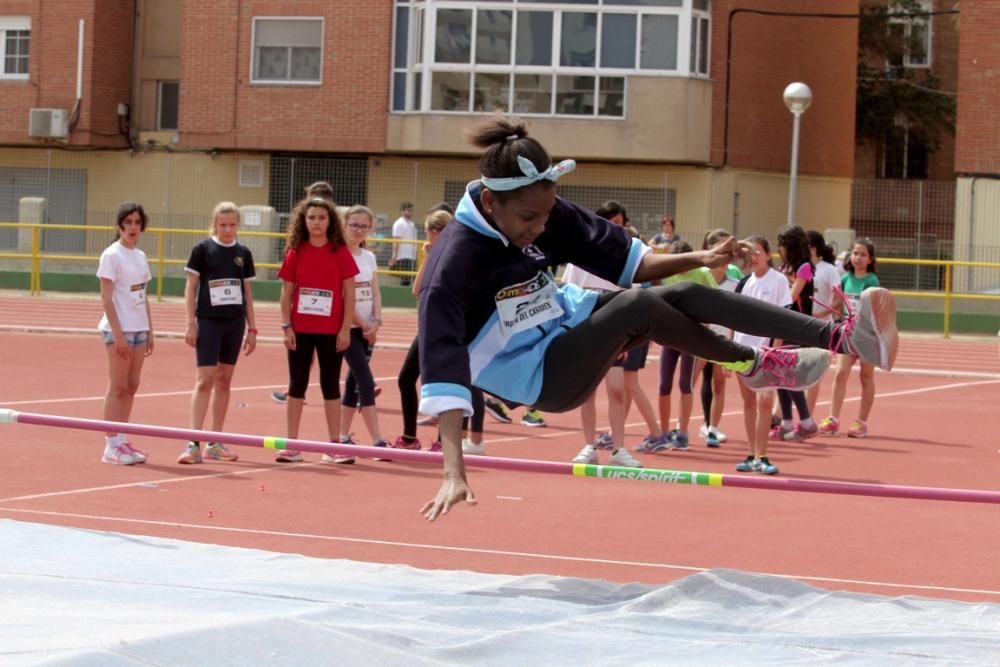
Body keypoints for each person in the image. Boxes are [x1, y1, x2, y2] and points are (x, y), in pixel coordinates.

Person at [417, 117, 898, 520]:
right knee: (641, 306)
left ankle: (844, 338)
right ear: (488, 203)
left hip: (566, 321)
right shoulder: (453, 266)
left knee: (681, 292)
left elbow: (635, 265)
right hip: (540, 376)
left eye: (546, 214)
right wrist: (454, 470)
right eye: (528, 219)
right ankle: (750, 364)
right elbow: (442, 368)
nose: (540, 227)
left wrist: (700, 256)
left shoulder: (540, 207)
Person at [274, 197, 358, 462]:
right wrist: (286, 326)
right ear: (303, 220)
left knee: (330, 384)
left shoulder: (340, 252)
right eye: (311, 217)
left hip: (331, 330)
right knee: (296, 383)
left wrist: (345, 329)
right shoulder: (296, 251)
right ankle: (292, 443)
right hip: (300, 329)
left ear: (330, 220)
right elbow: (286, 293)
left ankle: (334, 445)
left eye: (322, 217)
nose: (316, 222)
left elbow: (349, 293)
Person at [178, 202, 256, 464]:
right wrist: (190, 323)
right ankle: (193, 442)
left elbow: (247, 293)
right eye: (223, 225)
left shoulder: (243, 253)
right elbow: (191, 288)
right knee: (204, 381)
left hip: (234, 323)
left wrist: (252, 328)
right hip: (209, 322)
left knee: (224, 381)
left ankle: (215, 441)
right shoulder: (202, 249)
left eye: (232, 225)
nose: (227, 229)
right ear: (215, 223)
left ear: (238, 225)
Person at [97, 202, 154, 465]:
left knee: (132, 386)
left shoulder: (140, 256)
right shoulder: (112, 255)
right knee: (117, 386)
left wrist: (150, 330)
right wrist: (118, 335)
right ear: (119, 225)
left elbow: (143, 295)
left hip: (139, 328)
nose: (133, 227)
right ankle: (111, 445)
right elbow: (107, 299)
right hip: (118, 330)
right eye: (128, 222)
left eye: (137, 222)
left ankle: (122, 438)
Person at [334, 205, 391, 462]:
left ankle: (342, 437)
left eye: (364, 226)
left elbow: (374, 290)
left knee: (352, 383)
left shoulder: (368, 257)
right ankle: (378, 442)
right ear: (345, 224)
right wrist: (361, 322)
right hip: (348, 329)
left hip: (368, 328)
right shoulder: (338, 255)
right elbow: (345, 295)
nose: (358, 230)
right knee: (366, 383)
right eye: (354, 225)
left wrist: (376, 321)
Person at [732, 236, 791, 475]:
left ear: (768, 255)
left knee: (764, 402)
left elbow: (782, 318)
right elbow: (733, 318)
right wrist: (729, 349)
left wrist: (774, 350)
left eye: (758, 252)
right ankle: (751, 453)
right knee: (748, 402)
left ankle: (762, 455)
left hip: (765, 352)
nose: (754, 257)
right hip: (741, 349)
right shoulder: (744, 282)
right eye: (750, 253)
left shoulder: (778, 281)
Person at [655, 239, 719, 451]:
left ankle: (682, 433)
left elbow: (717, 297)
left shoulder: (701, 273)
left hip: (690, 337)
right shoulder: (667, 273)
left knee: (685, 384)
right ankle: (663, 433)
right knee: (664, 385)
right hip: (668, 336)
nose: (679, 270)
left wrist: (705, 323)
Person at [819, 239, 883, 438]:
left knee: (865, 377)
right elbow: (838, 303)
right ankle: (833, 419)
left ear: (870, 259)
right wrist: (822, 314)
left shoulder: (871, 280)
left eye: (863, 254)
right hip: (848, 333)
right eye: (855, 253)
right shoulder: (845, 278)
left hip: (866, 335)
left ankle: (861, 422)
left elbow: (874, 307)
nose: (858, 257)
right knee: (840, 374)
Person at [693, 229, 743, 448]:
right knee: (691, 381)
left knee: (719, 382)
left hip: (722, 340)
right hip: (699, 336)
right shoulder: (700, 275)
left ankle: (713, 426)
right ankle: (681, 425)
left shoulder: (734, 280)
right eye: (722, 246)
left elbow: (737, 314)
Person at [771, 225, 819, 442]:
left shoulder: (805, 268)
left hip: (797, 325)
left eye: (782, 245)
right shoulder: (784, 267)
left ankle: (807, 421)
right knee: (779, 374)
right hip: (782, 323)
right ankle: (786, 423)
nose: (779, 250)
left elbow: (790, 296)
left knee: (789, 374)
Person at [806, 230, 840, 415]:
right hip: (799, 325)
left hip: (820, 327)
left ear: (813, 248)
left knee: (813, 373)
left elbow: (837, 300)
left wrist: (819, 315)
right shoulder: (801, 268)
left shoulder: (828, 269)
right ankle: (781, 416)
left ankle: (807, 416)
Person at [389, 201, 418, 286]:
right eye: (408, 210)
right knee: (405, 281)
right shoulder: (398, 224)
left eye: (411, 210)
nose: (410, 212)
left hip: (411, 257)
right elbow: (396, 241)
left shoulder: (411, 224)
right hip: (403, 257)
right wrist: (394, 257)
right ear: (402, 211)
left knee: (412, 280)